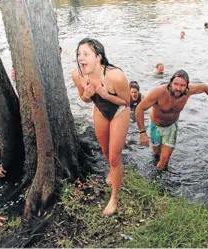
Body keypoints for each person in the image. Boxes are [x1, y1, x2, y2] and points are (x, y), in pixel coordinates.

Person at [72, 38, 130, 216]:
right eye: (79, 54)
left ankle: (114, 197)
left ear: (98, 57)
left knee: (114, 157)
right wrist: (87, 96)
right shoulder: (78, 75)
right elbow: (83, 98)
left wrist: (106, 94)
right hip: (100, 111)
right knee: (105, 150)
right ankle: (113, 170)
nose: (81, 58)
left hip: (119, 111)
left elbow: (127, 102)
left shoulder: (115, 76)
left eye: (86, 54)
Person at [135, 70, 208, 170]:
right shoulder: (158, 92)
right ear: (170, 82)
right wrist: (142, 133)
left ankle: (159, 181)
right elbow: (139, 109)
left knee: (164, 160)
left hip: (171, 127)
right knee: (156, 153)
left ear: (187, 86)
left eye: (182, 85)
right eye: (175, 84)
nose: (178, 88)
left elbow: (205, 88)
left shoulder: (189, 91)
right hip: (155, 126)